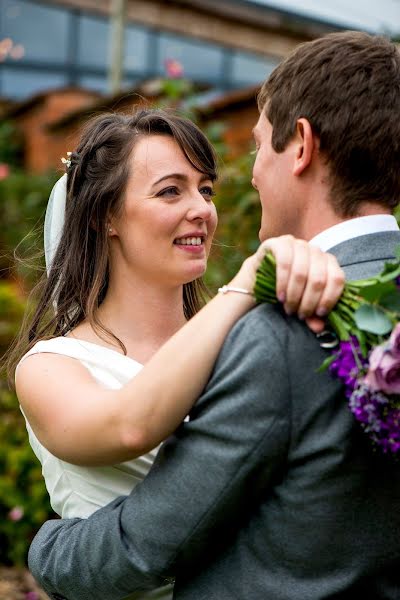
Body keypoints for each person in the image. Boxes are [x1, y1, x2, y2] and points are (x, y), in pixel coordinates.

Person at [27, 30, 400, 600]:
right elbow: (126, 424)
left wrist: (48, 550)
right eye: (170, 191)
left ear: (298, 146)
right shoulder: (51, 366)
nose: (202, 209)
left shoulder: (263, 331)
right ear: (107, 216)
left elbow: (161, 538)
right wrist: (249, 282)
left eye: (205, 188)